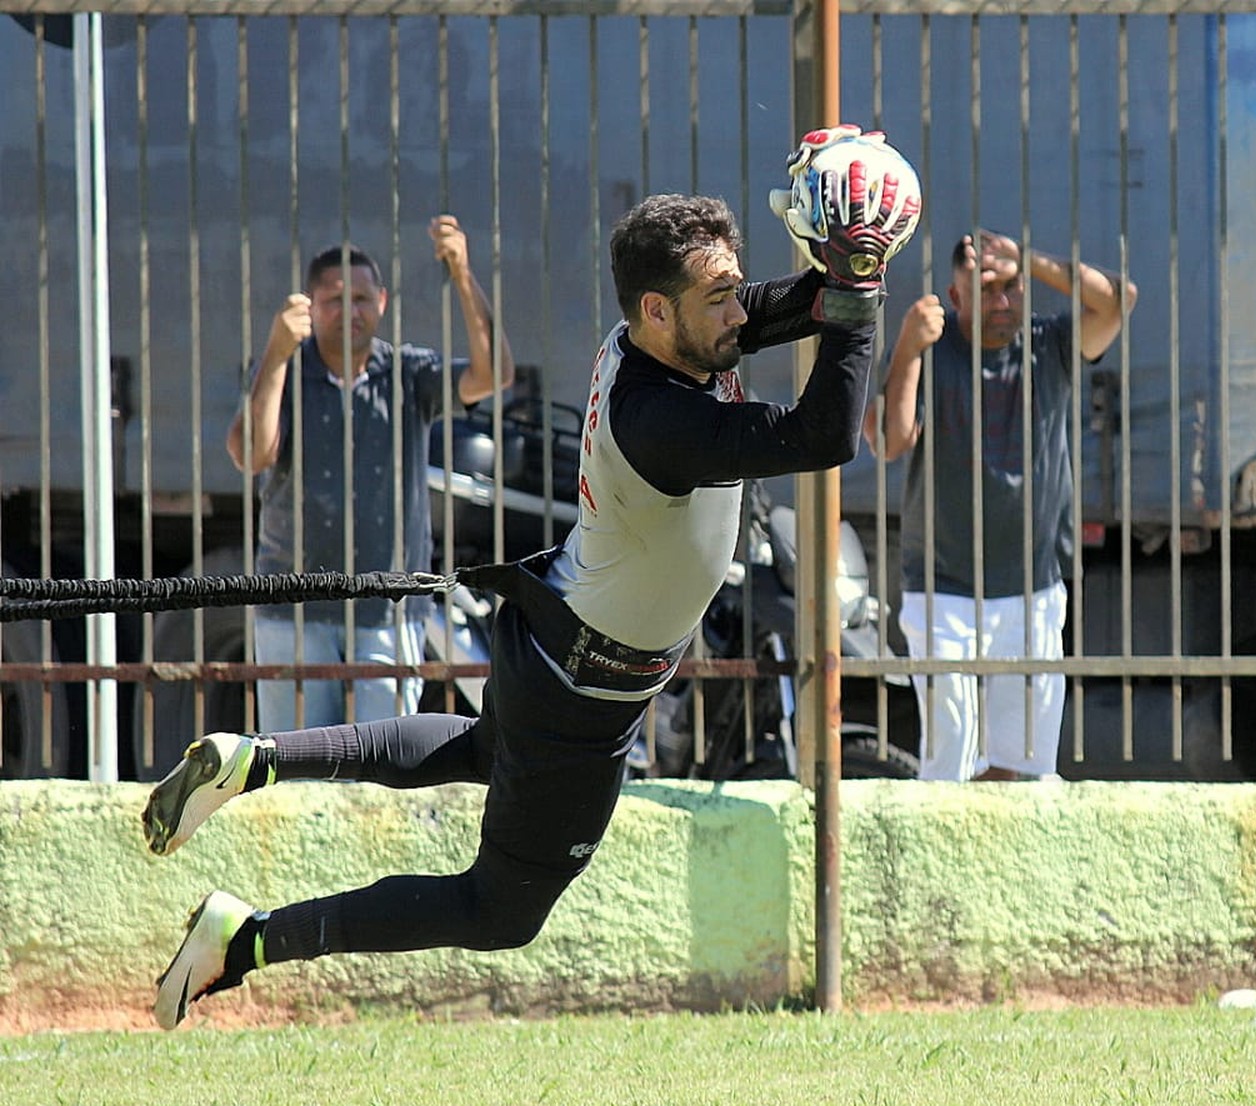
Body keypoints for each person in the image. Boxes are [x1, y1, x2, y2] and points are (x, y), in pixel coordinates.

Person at [144, 126, 919, 1030]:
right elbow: (826, 436)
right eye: (720, 300)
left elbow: (797, 305)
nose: (740, 314)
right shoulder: (661, 418)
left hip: (553, 625)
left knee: (482, 750)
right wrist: (858, 292)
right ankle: (246, 941)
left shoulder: (658, 334)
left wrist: (850, 259)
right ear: (659, 312)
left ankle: (258, 759)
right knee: (498, 913)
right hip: (587, 686)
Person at [226, 215, 514, 731]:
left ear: (381, 303)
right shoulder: (285, 368)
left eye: (360, 299)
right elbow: (252, 455)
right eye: (334, 300)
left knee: (383, 767)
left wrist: (463, 276)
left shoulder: (406, 373)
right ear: (311, 309)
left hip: (389, 610)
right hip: (294, 609)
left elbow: (493, 375)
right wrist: (275, 353)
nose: (349, 312)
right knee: (297, 768)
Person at [867, 230, 1135, 781]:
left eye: (1012, 288)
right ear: (955, 295)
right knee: (952, 760)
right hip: (943, 589)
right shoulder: (933, 352)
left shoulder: (1050, 343)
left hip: (1031, 586)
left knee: (1025, 765)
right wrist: (907, 348)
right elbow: (890, 442)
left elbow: (1119, 299)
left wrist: (1031, 260)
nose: (1003, 302)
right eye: (987, 289)